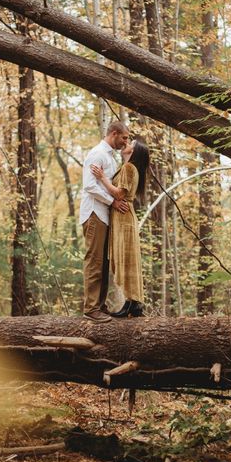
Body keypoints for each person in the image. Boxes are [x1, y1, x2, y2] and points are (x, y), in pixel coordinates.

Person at [91, 138, 150, 318]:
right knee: (126, 258)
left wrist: (102, 178)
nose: (127, 144)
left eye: (131, 143)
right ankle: (132, 303)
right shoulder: (128, 167)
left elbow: (119, 193)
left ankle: (132, 302)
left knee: (126, 258)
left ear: (135, 151)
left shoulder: (129, 168)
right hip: (122, 216)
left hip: (124, 217)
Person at [79, 121, 130, 322]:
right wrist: (113, 202)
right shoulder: (97, 154)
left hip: (104, 214)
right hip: (94, 213)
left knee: (103, 262)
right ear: (114, 134)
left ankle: (99, 305)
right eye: (124, 137)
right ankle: (91, 309)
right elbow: (89, 186)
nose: (126, 142)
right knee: (94, 261)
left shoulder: (110, 156)